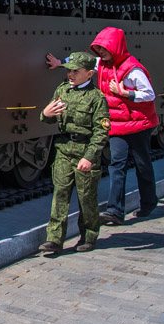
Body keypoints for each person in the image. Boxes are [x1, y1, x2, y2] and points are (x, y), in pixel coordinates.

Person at [46, 26, 160, 225]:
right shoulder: (102, 63)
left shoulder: (132, 69)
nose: (101, 52)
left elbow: (149, 93)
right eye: (98, 48)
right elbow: (85, 63)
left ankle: (149, 202)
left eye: (104, 48)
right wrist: (60, 63)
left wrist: (126, 94)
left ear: (115, 47)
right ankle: (115, 211)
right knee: (117, 165)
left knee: (143, 165)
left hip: (139, 123)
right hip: (118, 124)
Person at [38, 51, 110, 255]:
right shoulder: (63, 91)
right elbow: (49, 118)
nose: (70, 75)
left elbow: (102, 130)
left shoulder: (97, 98)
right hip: (64, 150)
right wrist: (45, 114)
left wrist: (90, 157)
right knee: (60, 195)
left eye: (75, 71)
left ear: (89, 74)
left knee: (86, 198)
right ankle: (54, 239)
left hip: (85, 151)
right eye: (69, 70)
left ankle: (88, 236)